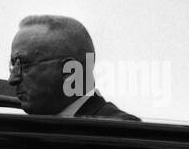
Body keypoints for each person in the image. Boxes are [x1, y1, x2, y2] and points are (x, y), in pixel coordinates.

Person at [8, 14, 138, 120]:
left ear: (70, 71)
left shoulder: (120, 130)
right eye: (13, 65)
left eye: (25, 65)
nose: (13, 79)